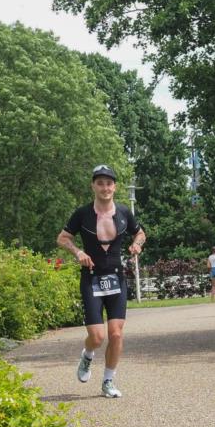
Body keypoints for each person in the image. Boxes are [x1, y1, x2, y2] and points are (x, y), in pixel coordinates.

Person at [57, 165, 145, 398]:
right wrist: (78, 253)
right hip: (91, 278)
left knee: (116, 334)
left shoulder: (125, 212)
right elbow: (63, 238)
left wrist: (137, 244)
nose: (105, 187)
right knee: (97, 337)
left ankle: (108, 381)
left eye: (109, 183)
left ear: (114, 187)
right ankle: (87, 356)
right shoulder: (82, 214)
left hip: (116, 277)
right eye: (100, 183)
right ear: (93, 186)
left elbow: (140, 233)